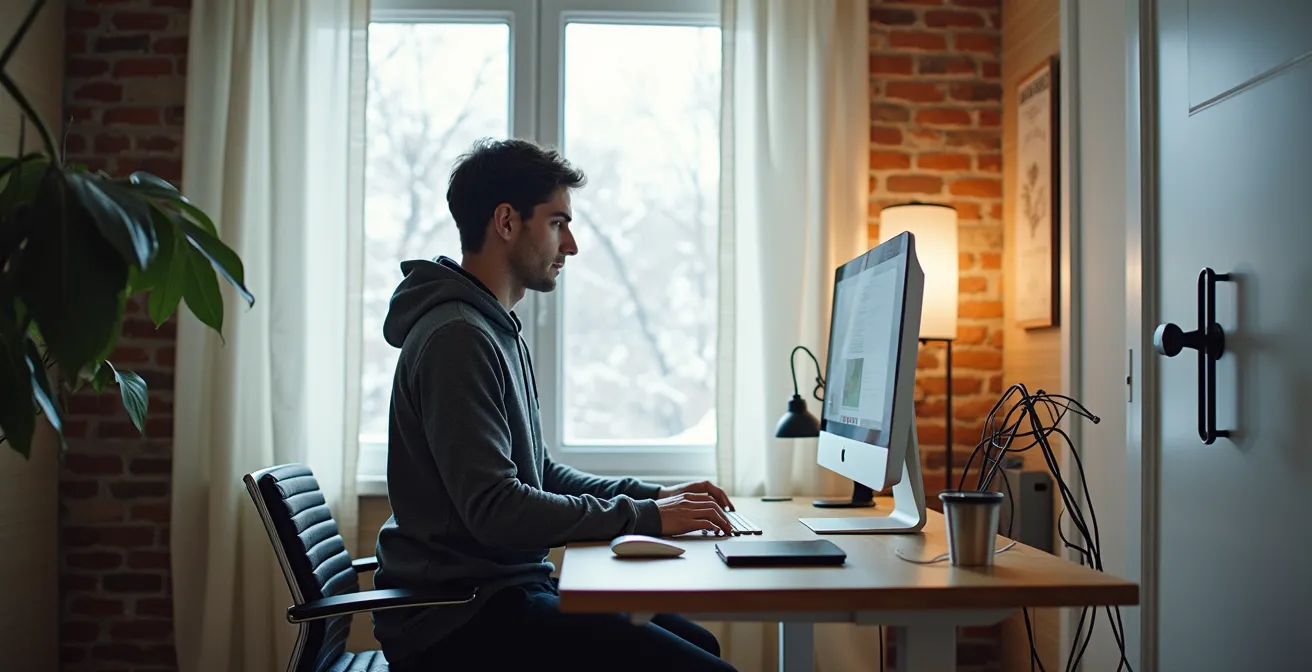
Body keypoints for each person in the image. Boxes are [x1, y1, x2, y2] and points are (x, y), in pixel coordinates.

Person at [372, 137, 740, 672]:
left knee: (701, 645)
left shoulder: (492, 329)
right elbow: (497, 510)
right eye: (557, 223)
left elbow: (538, 473)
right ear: (507, 222)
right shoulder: (458, 337)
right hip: (458, 622)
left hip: (502, 592)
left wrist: (656, 497)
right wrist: (647, 517)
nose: (571, 245)